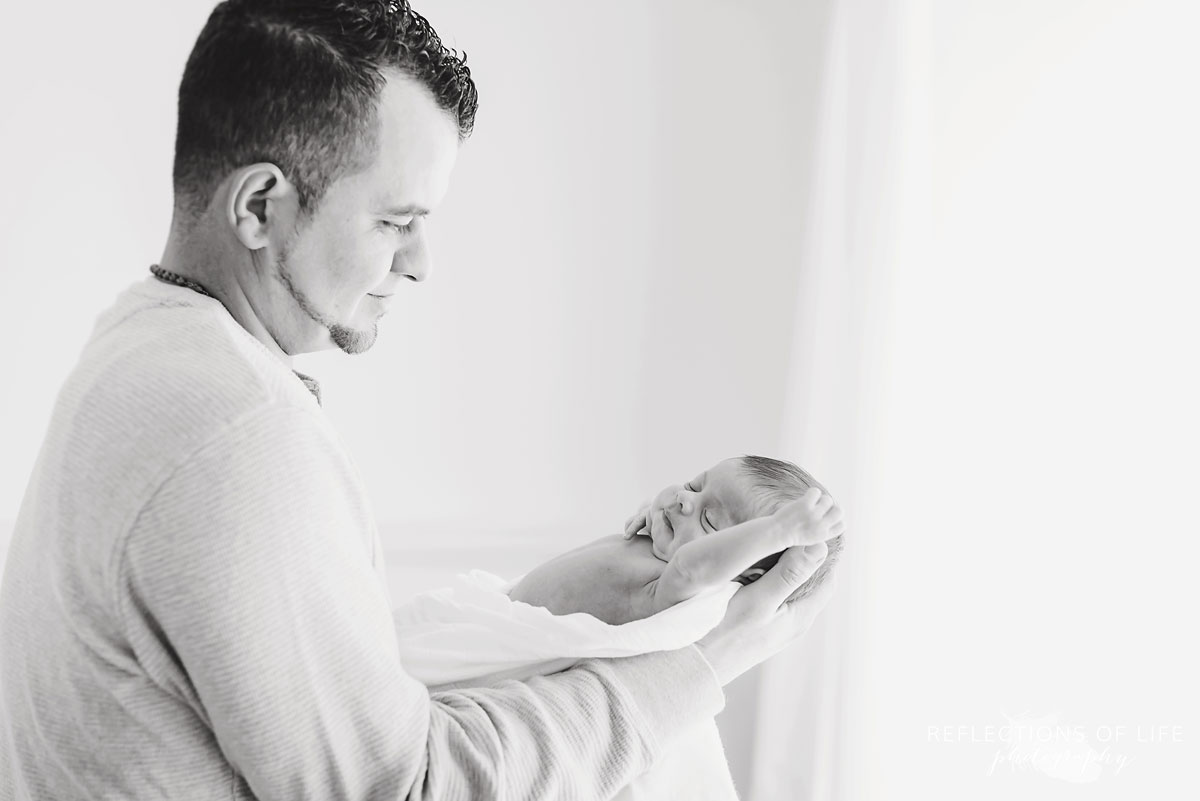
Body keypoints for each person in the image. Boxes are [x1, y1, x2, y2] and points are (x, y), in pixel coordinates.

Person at [0, 2, 840, 798]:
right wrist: (707, 665)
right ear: (260, 206)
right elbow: (404, 788)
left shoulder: (138, 347)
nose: (421, 262)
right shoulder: (237, 432)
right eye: (395, 221)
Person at [508, 455, 845, 625]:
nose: (686, 500)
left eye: (710, 518)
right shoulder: (662, 551)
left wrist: (780, 531)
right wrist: (654, 513)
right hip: (500, 608)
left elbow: (692, 566)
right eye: (695, 486)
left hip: (507, 648)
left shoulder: (680, 593)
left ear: (740, 570)